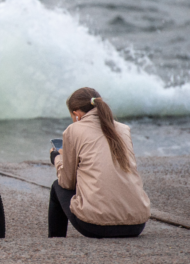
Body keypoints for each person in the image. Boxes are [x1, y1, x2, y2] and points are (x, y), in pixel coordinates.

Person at [48, 87, 150, 238]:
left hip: (95, 226)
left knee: (57, 186)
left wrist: (56, 158)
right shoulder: (123, 129)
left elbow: (67, 182)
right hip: (137, 224)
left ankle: (55, 241)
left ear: (76, 114)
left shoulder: (73, 130)